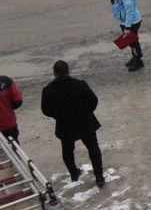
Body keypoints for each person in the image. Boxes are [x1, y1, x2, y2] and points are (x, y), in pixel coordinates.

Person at [41, 60, 104, 188]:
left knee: (68, 150)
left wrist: (57, 115)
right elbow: (93, 101)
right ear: (68, 71)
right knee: (93, 147)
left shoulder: (48, 90)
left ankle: (74, 173)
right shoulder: (80, 84)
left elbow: (46, 110)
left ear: (54, 73)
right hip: (85, 122)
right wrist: (87, 111)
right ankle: (99, 176)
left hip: (65, 125)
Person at [110, 0, 144, 71]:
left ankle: (139, 61)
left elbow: (130, 12)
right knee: (130, 42)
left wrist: (127, 27)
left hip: (131, 23)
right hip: (125, 21)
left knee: (133, 42)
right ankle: (135, 57)